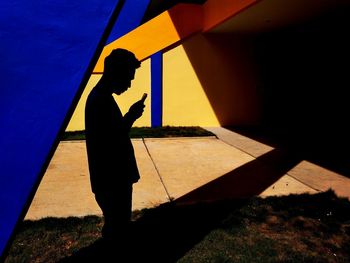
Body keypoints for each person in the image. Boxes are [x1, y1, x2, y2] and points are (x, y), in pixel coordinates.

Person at [85, 48, 145, 242]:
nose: (128, 85)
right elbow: (111, 140)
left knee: (116, 226)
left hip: (112, 180)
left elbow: (113, 134)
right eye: (128, 78)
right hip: (112, 181)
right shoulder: (100, 101)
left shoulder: (101, 98)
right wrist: (131, 116)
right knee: (118, 229)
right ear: (116, 73)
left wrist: (129, 116)